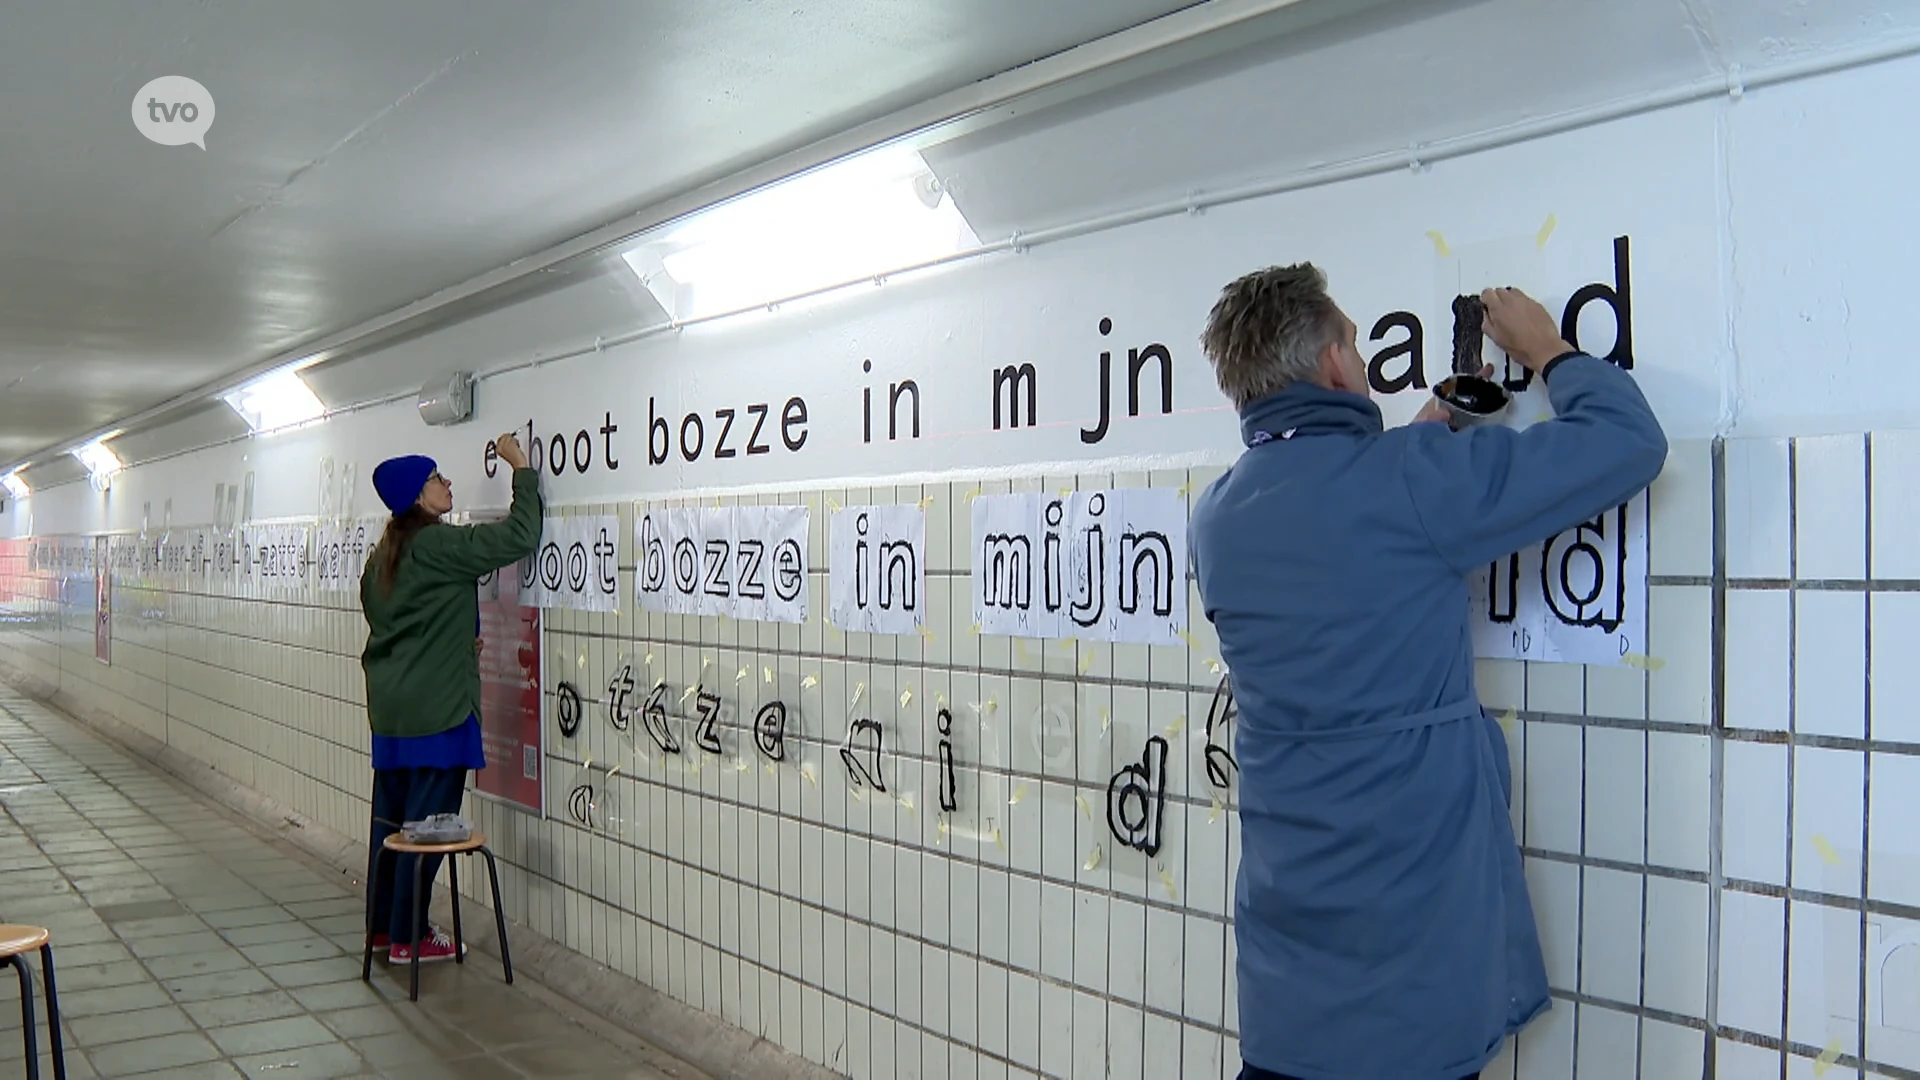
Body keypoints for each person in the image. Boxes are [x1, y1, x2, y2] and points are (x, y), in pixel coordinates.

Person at [1188, 268, 1667, 1080]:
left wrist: (1413, 447)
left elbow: (1339, 535)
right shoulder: (1410, 483)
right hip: (1407, 966)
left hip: (1285, 976)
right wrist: (1548, 348)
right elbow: (1630, 442)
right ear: (1337, 362)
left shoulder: (1216, 516)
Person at [359, 434, 541, 964]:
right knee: (426, 832)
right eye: (437, 479)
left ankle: (380, 928)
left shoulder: (382, 557)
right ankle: (408, 938)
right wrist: (521, 468)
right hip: (437, 712)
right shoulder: (438, 545)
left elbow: (401, 623)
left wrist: (457, 637)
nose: (447, 484)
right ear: (419, 498)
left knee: (389, 828)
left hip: (391, 713)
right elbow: (518, 537)